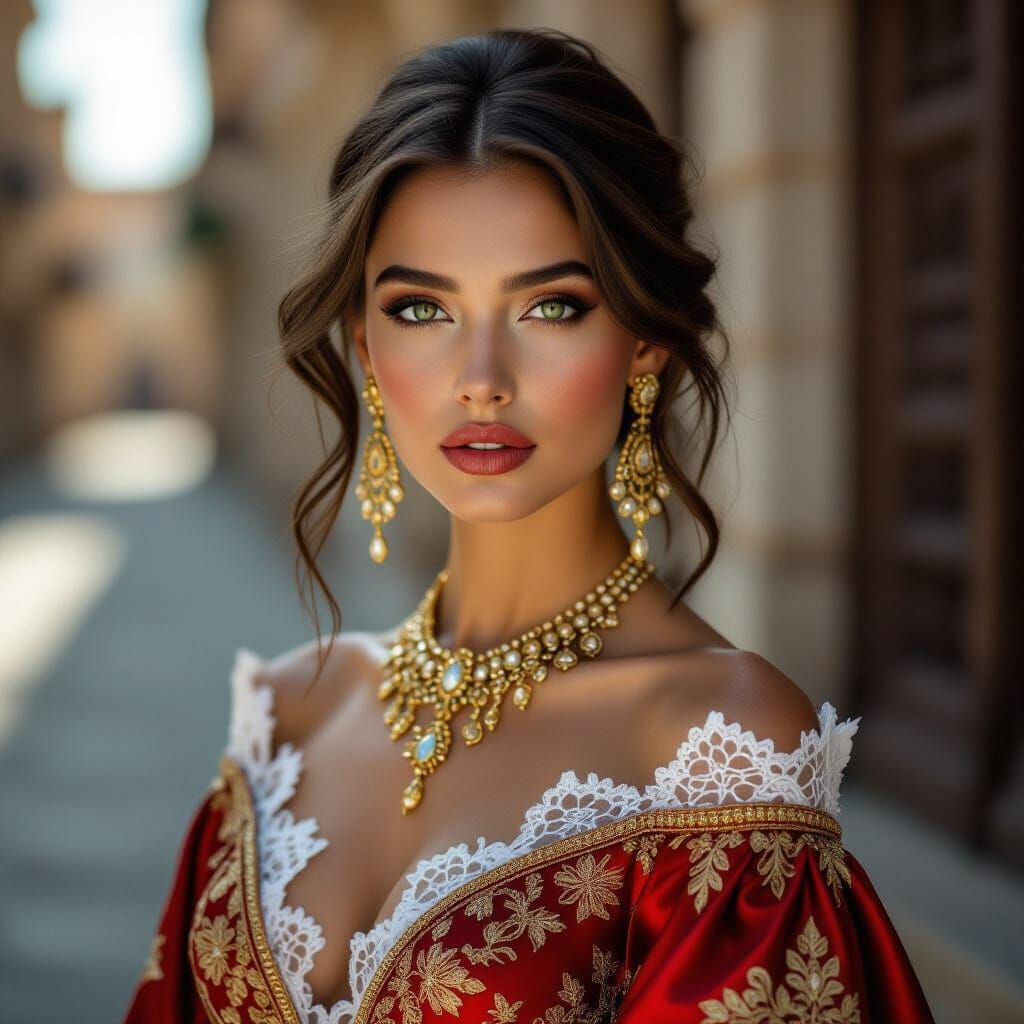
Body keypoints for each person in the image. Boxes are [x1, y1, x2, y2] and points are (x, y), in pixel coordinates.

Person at [122, 26, 935, 1024]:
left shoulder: (716, 753)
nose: (481, 380)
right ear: (365, 347)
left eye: (550, 306)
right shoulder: (284, 719)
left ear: (643, 340)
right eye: (421, 310)